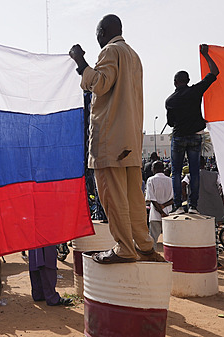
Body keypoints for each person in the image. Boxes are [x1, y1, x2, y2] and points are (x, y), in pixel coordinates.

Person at [69, 14, 163, 264]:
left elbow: (100, 84)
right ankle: (144, 246)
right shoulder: (133, 55)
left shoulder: (110, 51)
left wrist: (81, 63)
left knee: (113, 197)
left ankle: (124, 248)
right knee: (133, 198)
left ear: (102, 32)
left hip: (110, 139)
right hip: (130, 138)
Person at [166, 45, 219, 215]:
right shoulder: (196, 91)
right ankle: (193, 206)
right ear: (188, 80)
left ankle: (177, 205)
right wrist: (206, 55)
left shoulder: (170, 100)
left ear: (175, 82)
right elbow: (215, 72)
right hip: (196, 136)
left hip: (179, 137)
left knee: (176, 173)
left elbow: (171, 123)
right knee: (194, 172)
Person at [182, 156, 224, 223]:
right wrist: (220, 195)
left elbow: (183, 184)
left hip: (198, 207)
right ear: (205, 163)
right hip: (214, 205)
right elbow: (222, 186)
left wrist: (185, 195)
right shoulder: (215, 175)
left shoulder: (189, 176)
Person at [145, 161, 173, 250]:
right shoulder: (170, 180)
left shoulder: (151, 180)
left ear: (155, 169)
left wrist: (161, 211)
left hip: (155, 214)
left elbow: (151, 198)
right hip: (169, 213)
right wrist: (164, 207)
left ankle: (152, 257)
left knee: (153, 238)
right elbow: (174, 199)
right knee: (170, 238)